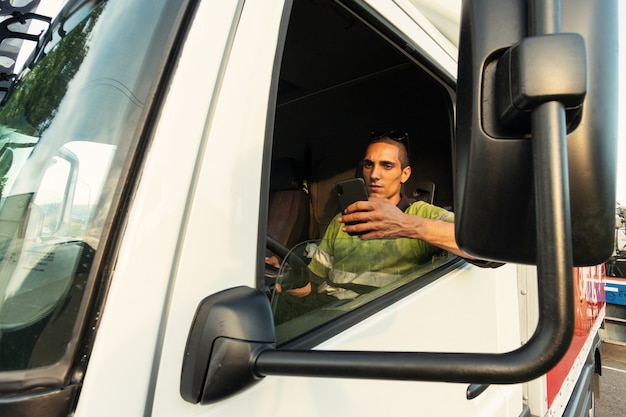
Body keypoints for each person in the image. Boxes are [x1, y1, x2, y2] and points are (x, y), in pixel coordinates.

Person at [280, 130, 474, 300]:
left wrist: (406, 225)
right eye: (368, 165)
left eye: (387, 166)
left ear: (404, 174)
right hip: (327, 313)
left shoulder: (420, 213)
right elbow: (313, 283)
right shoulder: (344, 219)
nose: (374, 175)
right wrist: (288, 277)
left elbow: (476, 242)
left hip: (374, 315)